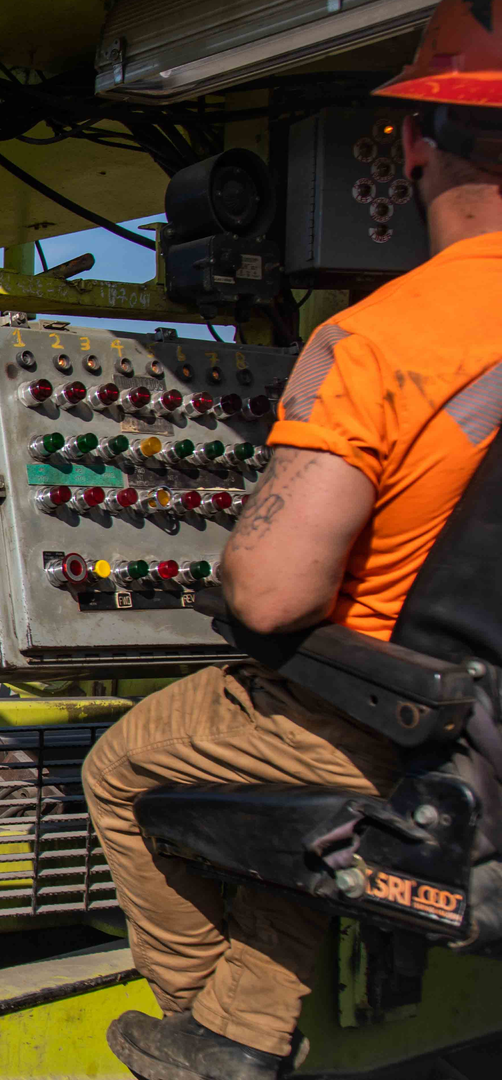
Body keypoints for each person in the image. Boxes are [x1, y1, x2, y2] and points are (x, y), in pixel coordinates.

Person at [89, 3, 502, 1077]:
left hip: (422, 718)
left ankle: (209, 1031)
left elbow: (270, 595)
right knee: (292, 745)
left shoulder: (378, 338)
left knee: (132, 759)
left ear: (414, 141)